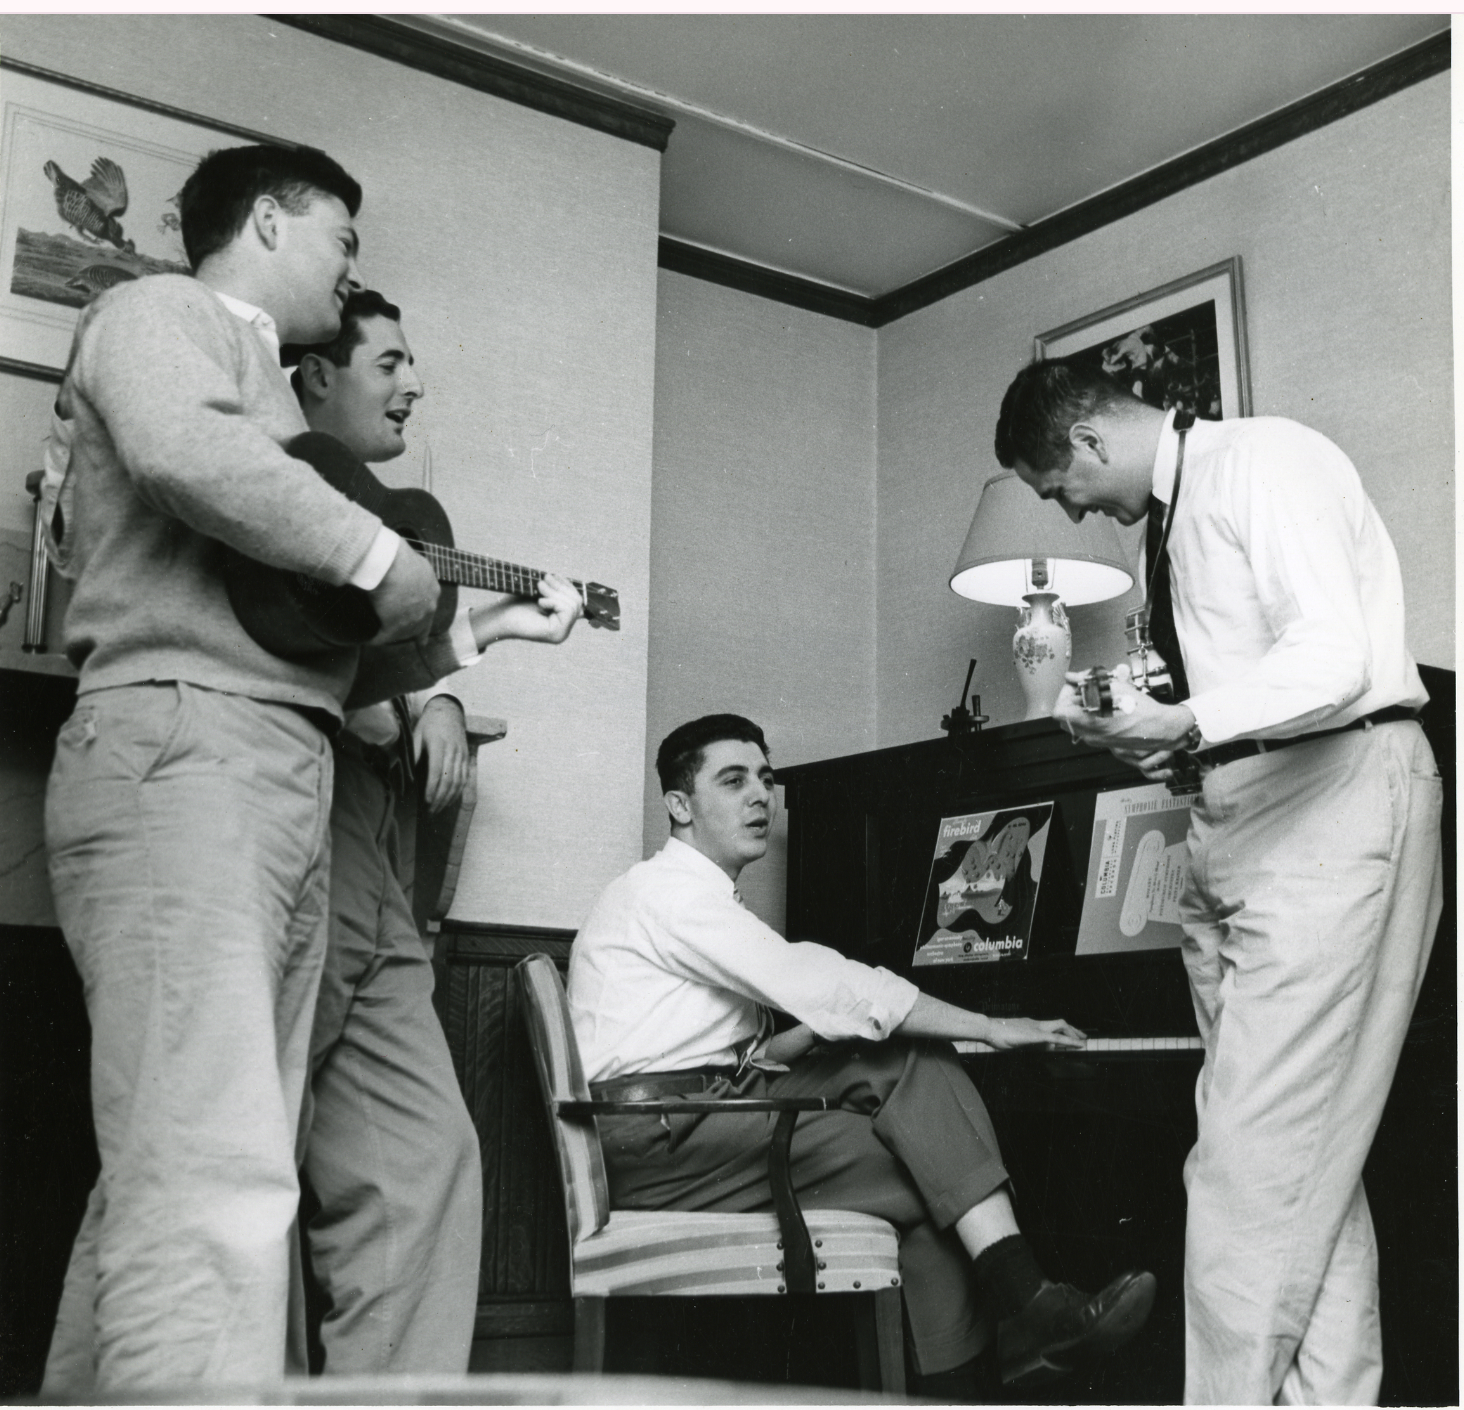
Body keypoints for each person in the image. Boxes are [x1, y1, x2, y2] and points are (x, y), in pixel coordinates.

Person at [37, 143, 444, 1393]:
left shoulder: (270, 392)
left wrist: (435, 630)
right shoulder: (156, 312)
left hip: (270, 762)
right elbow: (175, 449)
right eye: (343, 238)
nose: (351, 265)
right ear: (268, 222)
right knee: (213, 1171)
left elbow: (282, 622)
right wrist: (380, 560)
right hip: (184, 749)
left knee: (186, 1162)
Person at [993, 358, 1444, 1404]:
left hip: (1330, 809)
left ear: (1093, 441)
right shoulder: (1173, 520)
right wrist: (1157, 741)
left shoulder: (1264, 461)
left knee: (1248, 1176)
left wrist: (1188, 720)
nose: (1070, 508)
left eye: (1059, 487)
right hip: (1239, 826)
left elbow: (1334, 658)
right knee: (1301, 1182)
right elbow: (1250, 694)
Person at [568, 713, 1157, 1395]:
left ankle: (1022, 1320)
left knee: (928, 1155)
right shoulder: (669, 894)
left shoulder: (684, 896)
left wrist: (841, 1031)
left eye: (764, 778)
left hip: (687, 1123)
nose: (760, 796)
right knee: (931, 1164)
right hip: (658, 1147)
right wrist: (990, 1026)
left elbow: (741, 1047)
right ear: (679, 805)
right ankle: (1015, 1331)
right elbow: (822, 982)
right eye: (732, 781)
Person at [283, 290, 583, 1372]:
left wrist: (453, 676)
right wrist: (452, 666)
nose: (416, 383)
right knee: (246, 1161)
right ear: (317, 374)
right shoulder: (274, 489)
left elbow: (390, 662)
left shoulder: (392, 518)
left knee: (433, 1162)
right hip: (294, 829)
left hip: (377, 849)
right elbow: (320, 664)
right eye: (392, 362)